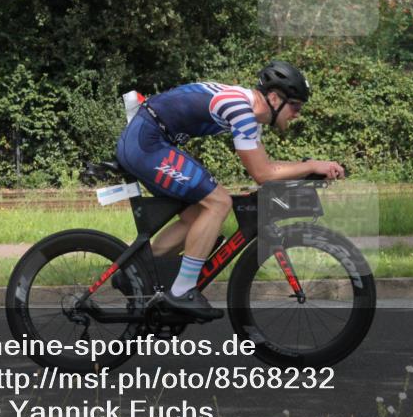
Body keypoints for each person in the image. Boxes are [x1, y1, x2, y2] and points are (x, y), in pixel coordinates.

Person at [115, 61, 345, 320]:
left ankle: (135, 273)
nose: (297, 113)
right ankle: (181, 291)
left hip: (150, 140)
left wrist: (306, 170)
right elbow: (263, 174)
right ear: (273, 97)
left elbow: (265, 171)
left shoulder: (250, 116)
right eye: (295, 106)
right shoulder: (242, 110)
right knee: (219, 203)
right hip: (147, 142)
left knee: (197, 219)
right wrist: (311, 165)